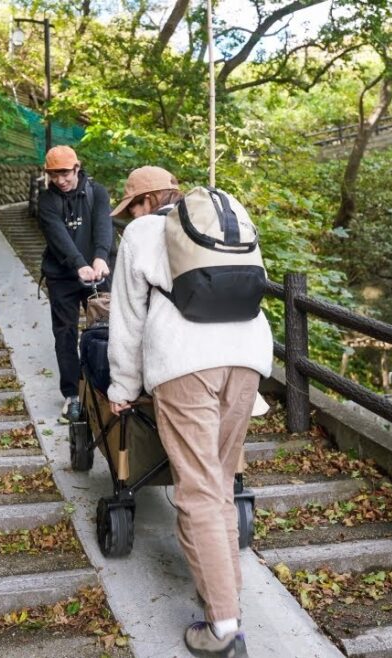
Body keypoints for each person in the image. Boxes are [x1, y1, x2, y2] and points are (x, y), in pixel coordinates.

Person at [105, 166, 272, 658]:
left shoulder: (141, 232)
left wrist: (122, 386)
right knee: (218, 483)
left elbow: (128, 318)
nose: (130, 215)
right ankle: (224, 600)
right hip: (248, 358)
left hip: (185, 363)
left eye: (132, 206)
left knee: (198, 491)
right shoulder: (223, 222)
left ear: (146, 201)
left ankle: (223, 629)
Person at [37, 145, 114, 423]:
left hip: (98, 272)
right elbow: (57, 235)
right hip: (62, 276)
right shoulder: (46, 200)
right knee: (65, 334)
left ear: (77, 168)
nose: (60, 180)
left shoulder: (97, 192)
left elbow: (104, 226)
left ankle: (108, 386)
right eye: (54, 175)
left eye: (65, 174)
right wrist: (79, 263)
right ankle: (72, 394)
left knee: (107, 329)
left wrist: (100, 257)